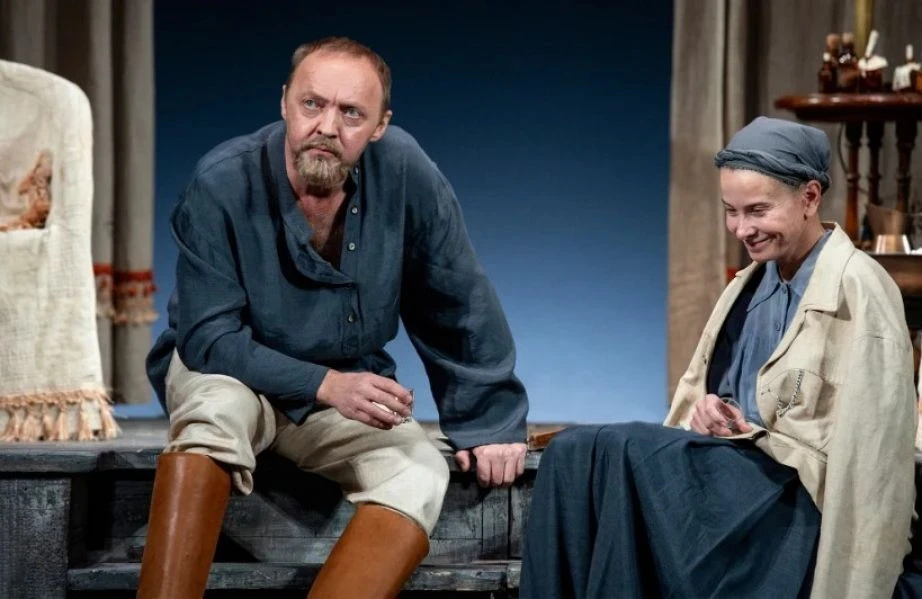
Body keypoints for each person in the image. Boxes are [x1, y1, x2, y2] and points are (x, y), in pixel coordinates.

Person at [138, 37, 529, 599]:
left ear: (379, 126)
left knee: (419, 470)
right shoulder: (222, 180)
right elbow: (208, 339)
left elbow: (456, 294)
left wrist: (489, 422)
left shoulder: (405, 170)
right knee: (213, 417)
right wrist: (324, 384)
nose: (326, 126)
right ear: (284, 102)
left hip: (341, 387)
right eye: (312, 104)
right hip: (232, 372)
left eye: (351, 113)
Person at [520, 117, 918, 599]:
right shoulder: (750, 285)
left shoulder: (860, 289)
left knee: (615, 450)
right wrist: (711, 412)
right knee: (573, 454)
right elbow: (724, 397)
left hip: (791, 511)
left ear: (810, 198)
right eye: (731, 211)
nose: (741, 229)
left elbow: (875, 458)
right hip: (734, 487)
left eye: (757, 210)